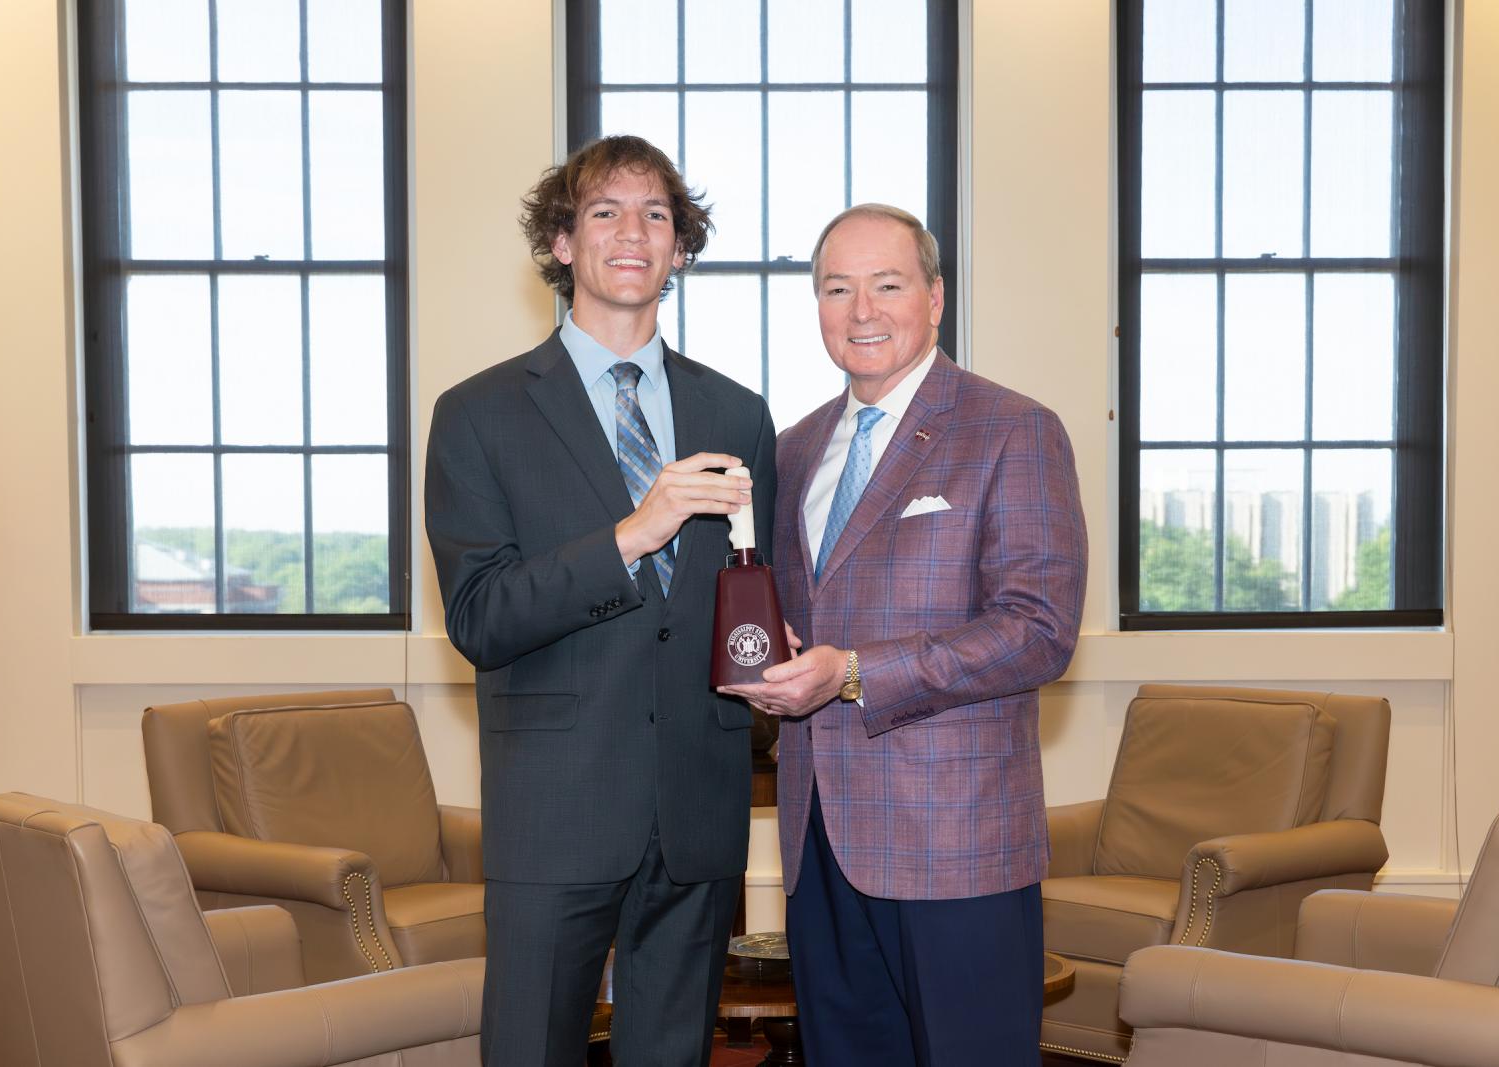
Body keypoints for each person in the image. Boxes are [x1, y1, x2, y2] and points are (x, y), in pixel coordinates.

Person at [426, 134, 778, 1067]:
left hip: (697, 808)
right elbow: (480, 618)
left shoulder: (738, 413)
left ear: (680, 247)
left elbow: (753, 595)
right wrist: (636, 530)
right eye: (605, 212)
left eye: (657, 214)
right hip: (557, 806)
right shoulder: (477, 413)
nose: (634, 231)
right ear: (561, 244)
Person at [722, 204, 1087, 1065]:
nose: (862, 310)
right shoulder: (794, 449)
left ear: (935, 298)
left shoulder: (1013, 429)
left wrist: (852, 670)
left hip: (955, 846)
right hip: (818, 845)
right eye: (836, 288)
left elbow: (1039, 629)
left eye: (887, 284)